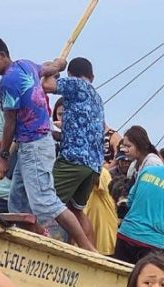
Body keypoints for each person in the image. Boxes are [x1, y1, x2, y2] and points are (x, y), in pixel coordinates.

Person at [0, 37, 96, 252]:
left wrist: (3, 157)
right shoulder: (26, 65)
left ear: (2, 56)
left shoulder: (7, 83)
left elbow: (10, 122)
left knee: (45, 201)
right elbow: (47, 68)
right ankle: (31, 240)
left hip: (34, 144)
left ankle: (88, 248)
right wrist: (59, 64)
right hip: (33, 144)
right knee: (18, 200)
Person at [45, 57, 105, 248]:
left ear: (70, 74)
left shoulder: (75, 84)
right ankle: (90, 249)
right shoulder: (96, 96)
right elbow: (84, 129)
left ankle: (43, 242)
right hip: (94, 164)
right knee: (76, 210)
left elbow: (45, 85)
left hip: (74, 160)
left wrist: (53, 67)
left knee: (45, 200)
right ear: (92, 76)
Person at [114, 142, 164, 270]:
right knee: (144, 285)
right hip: (152, 244)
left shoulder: (147, 171)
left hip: (126, 235)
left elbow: (129, 201)